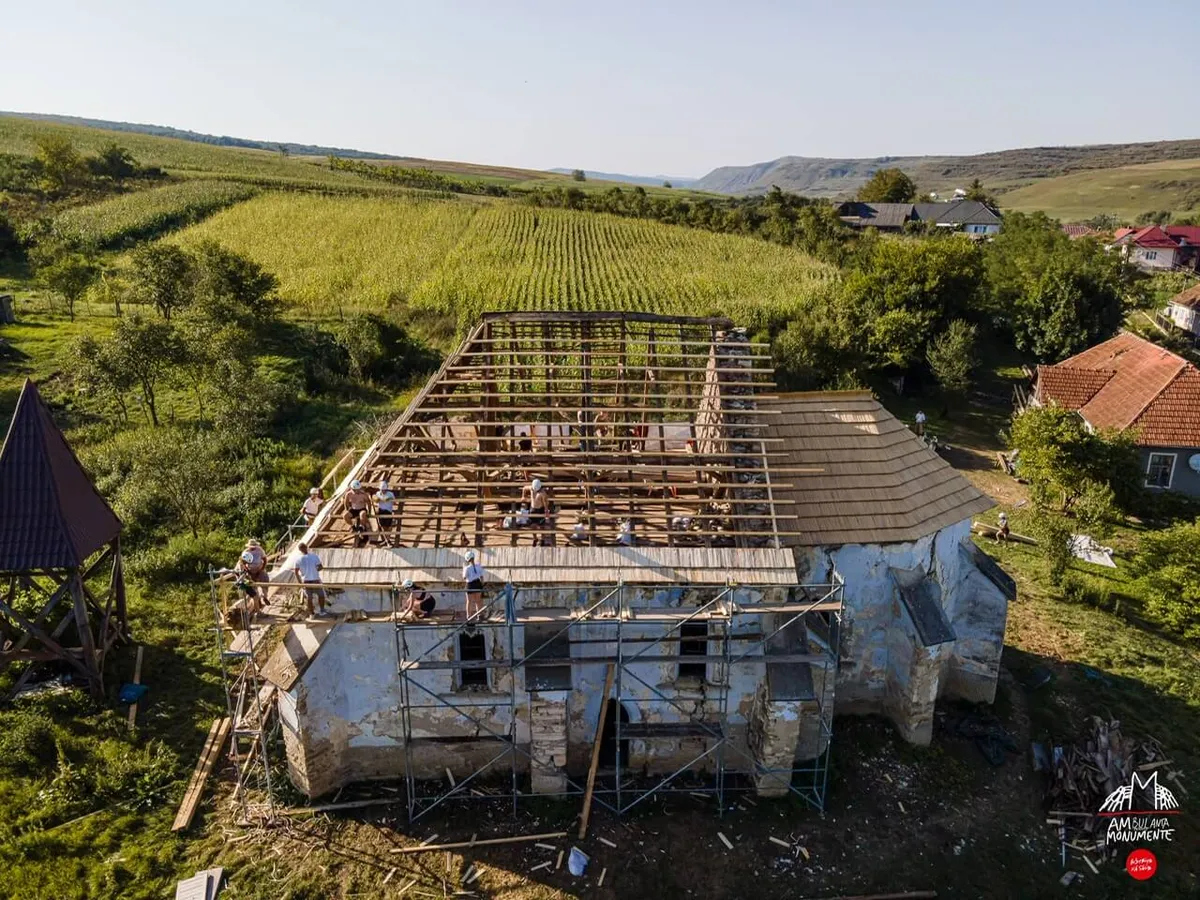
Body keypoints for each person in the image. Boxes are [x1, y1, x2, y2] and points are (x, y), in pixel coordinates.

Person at [293, 542, 328, 618]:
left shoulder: (298, 559)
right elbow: (320, 567)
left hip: (306, 581)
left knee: (309, 598)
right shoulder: (314, 556)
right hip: (315, 580)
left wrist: (300, 583)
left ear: (299, 550)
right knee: (321, 595)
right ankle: (322, 610)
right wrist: (314, 570)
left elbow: (296, 572)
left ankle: (311, 613)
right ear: (306, 547)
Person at [343, 479, 373, 547]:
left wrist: (369, 512)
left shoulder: (363, 494)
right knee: (345, 516)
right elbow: (346, 501)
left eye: (357, 489)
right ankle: (353, 526)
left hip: (361, 508)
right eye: (355, 490)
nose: (356, 491)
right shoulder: (349, 494)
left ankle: (361, 527)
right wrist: (346, 509)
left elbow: (368, 502)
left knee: (362, 514)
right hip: (353, 509)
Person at [524, 478, 550, 546]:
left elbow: (545, 504)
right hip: (532, 509)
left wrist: (546, 512)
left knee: (542, 526)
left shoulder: (542, 493)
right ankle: (535, 538)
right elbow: (524, 488)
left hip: (540, 510)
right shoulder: (531, 488)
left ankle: (543, 539)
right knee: (532, 526)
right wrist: (523, 496)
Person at [463, 549, 486, 620]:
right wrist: (482, 584)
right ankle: (480, 615)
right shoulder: (478, 566)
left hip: (470, 585)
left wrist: (463, 568)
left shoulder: (467, 568)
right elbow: (481, 577)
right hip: (477, 583)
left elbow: (464, 577)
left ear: (467, 559)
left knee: (469, 601)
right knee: (478, 601)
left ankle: (469, 616)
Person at [375, 480, 397, 546]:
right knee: (383, 527)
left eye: (384, 490)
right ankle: (387, 541)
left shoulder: (390, 494)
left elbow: (395, 502)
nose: (383, 491)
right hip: (381, 511)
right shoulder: (378, 493)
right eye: (382, 490)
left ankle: (387, 540)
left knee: (389, 527)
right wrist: (377, 499)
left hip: (388, 511)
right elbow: (375, 500)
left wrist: (389, 499)